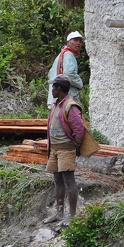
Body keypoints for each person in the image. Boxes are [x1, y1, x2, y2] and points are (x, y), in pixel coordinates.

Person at [44, 74, 86, 224]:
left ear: (59, 88)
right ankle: (59, 212)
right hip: (55, 149)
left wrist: (74, 144)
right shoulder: (56, 104)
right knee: (57, 180)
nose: (52, 90)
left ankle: (72, 215)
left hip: (66, 149)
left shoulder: (70, 106)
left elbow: (79, 130)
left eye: (53, 87)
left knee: (69, 180)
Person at [48, 31, 84, 109]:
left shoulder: (62, 54)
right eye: (75, 40)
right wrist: (79, 83)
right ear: (68, 42)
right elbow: (68, 73)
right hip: (65, 100)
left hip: (56, 99)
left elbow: (50, 73)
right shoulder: (69, 54)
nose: (78, 43)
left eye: (80, 41)